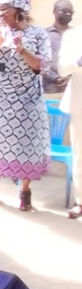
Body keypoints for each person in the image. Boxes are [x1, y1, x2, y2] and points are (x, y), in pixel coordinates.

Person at [0, 0, 51, 211]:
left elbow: (41, 65)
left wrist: (21, 49)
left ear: (19, 11)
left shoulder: (38, 33)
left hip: (28, 99)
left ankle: (25, 191)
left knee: (28, 143)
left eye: (4, 9)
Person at [57, 26, 82, 219]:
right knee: (80, 154)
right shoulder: (73, 35)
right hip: (79, 103)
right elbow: (62, 68)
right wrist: (78, 61)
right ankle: (80, 201)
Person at [43, 0, 74, 99]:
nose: (67, 14)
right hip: (49, 91)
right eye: (63, 11)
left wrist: (69, 78)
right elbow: (39, 61)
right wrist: (56, 78)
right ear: (54, 11)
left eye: (70, 12)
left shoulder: (77, 35)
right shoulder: (44, 34)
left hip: (73, 90)